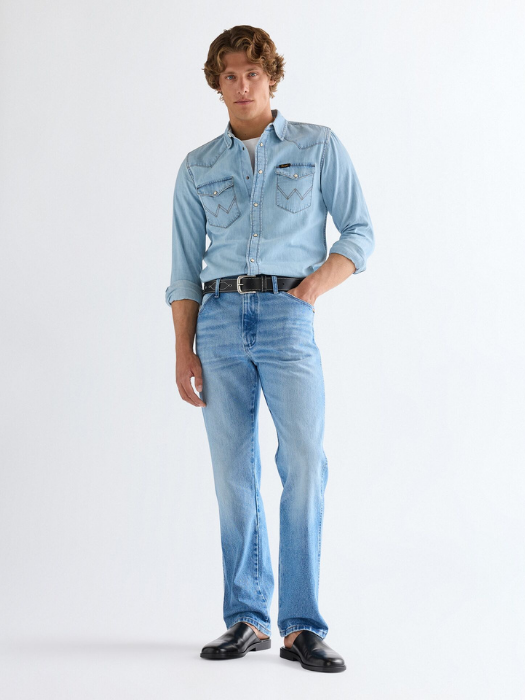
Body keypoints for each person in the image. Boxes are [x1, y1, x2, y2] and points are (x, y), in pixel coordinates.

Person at [165, 25, 374, 673]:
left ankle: (301, 626)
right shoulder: (198, 166)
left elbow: (359, 232)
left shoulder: (317, 146)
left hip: (288, 317)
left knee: (304, 464)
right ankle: (248, 619)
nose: (241, 85)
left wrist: (309, 289)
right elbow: (182, 270)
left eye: (251, 73)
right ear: (217, 84)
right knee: (233, 476)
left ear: (271, 77)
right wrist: (183, 350)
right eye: (229, 76)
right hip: (218, 322)